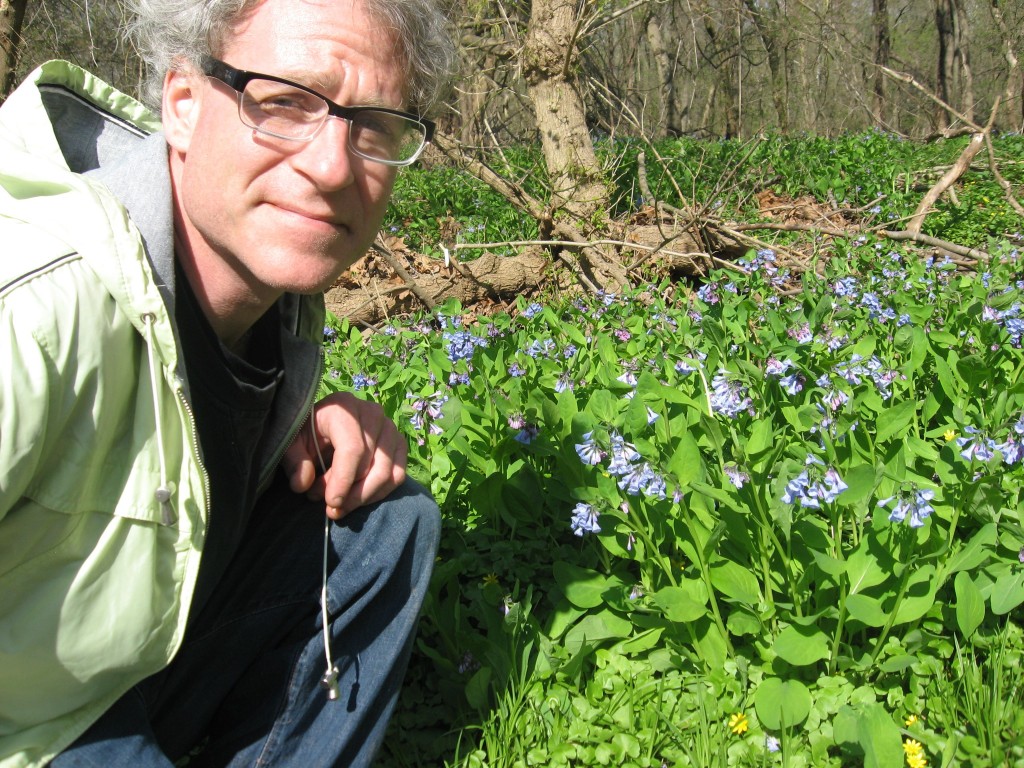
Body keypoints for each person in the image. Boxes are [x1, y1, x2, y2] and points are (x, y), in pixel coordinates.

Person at [0, 0, 455, 764]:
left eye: (371, 125)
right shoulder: (35, 305)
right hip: (27, 724)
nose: (333, 166)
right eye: (284, 103)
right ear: (182, 105)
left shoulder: (273, 301)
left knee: (383, 527)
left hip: (115, 667)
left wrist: (298, 427)